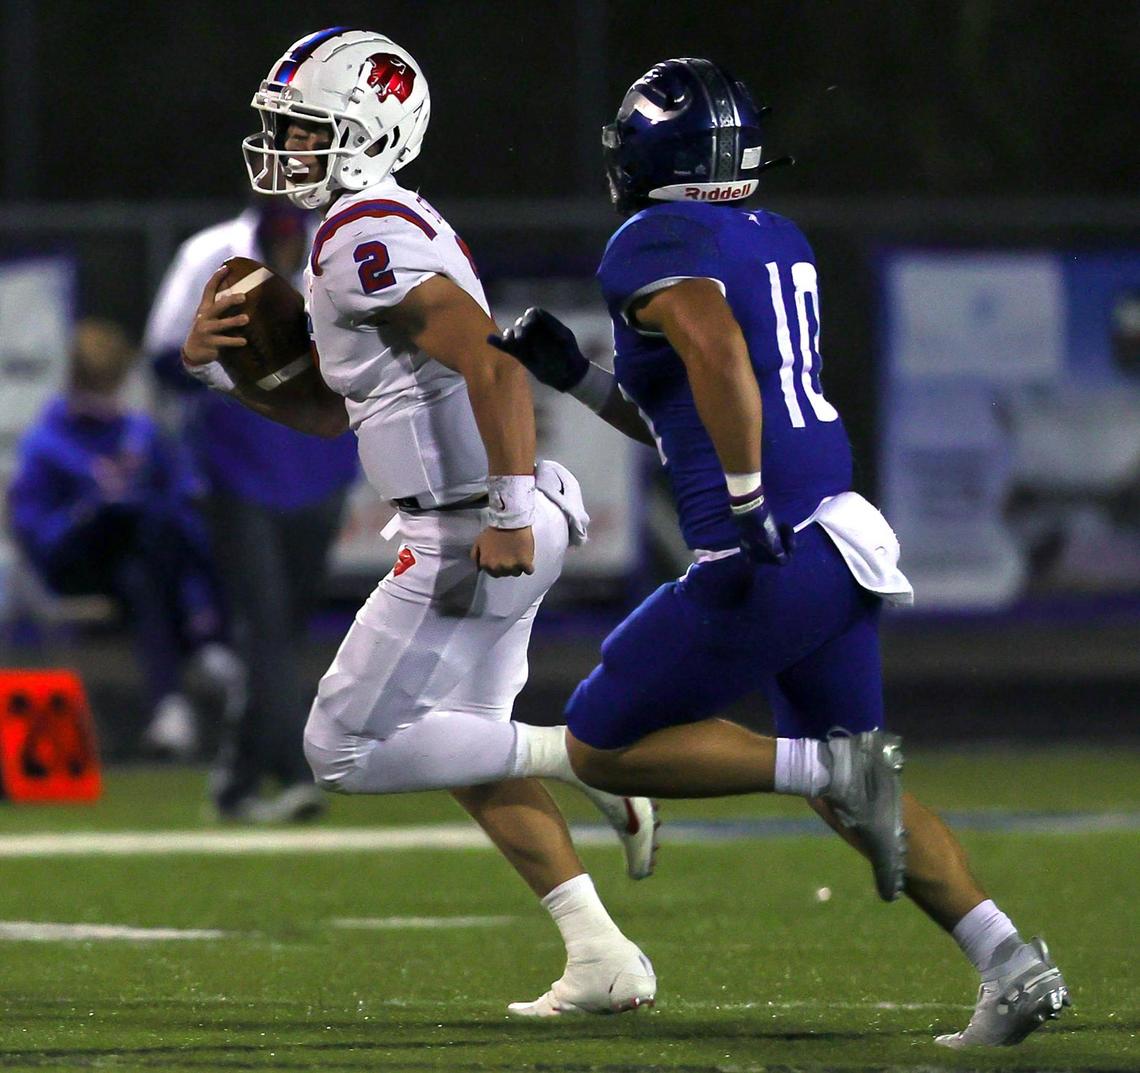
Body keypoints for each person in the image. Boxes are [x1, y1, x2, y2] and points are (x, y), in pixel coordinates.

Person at [489, 58, 1072, 1047]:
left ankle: (825, 765)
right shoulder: (773, 233)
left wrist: (751, 500)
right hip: (839, 537)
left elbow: (714, 353)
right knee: (859, 798)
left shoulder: (651, 234)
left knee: (599, 741)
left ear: (646, 152)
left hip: (766, 546)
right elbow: (694, 411)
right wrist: (582, 381)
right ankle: (1011, 960)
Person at [179, 27, 666, 1017]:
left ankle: (584, 759)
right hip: (480, 517)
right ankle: (600, 951)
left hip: (473, 528)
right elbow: (328, 411)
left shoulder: (365, 233)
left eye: (301, 128)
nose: (281, 146)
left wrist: (507, 509)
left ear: (364, 132)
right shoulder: (360, 230)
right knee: (461, 748)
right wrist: (212, 368)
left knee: (342, 749)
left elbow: (493, 364)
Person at [143, 197, 360, 823]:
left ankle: (236, 780)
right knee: (264, 624)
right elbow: (165, 357)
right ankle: (292, 773)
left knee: (284, 630)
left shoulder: (342, 250)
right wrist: (224, 361)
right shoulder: (209, 254)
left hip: (319, 465)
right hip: (237, 467)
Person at [6, 318, 238, 760]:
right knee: (139, 541)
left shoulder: (139, 433)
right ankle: (205, 642)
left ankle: (171, 704)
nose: (106, 397)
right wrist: (88, 512)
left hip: (137, 565)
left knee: (155, 554)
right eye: (99, 386)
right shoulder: (45, 442)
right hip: (73, 564)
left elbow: (179, 501)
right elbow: (34, 532)